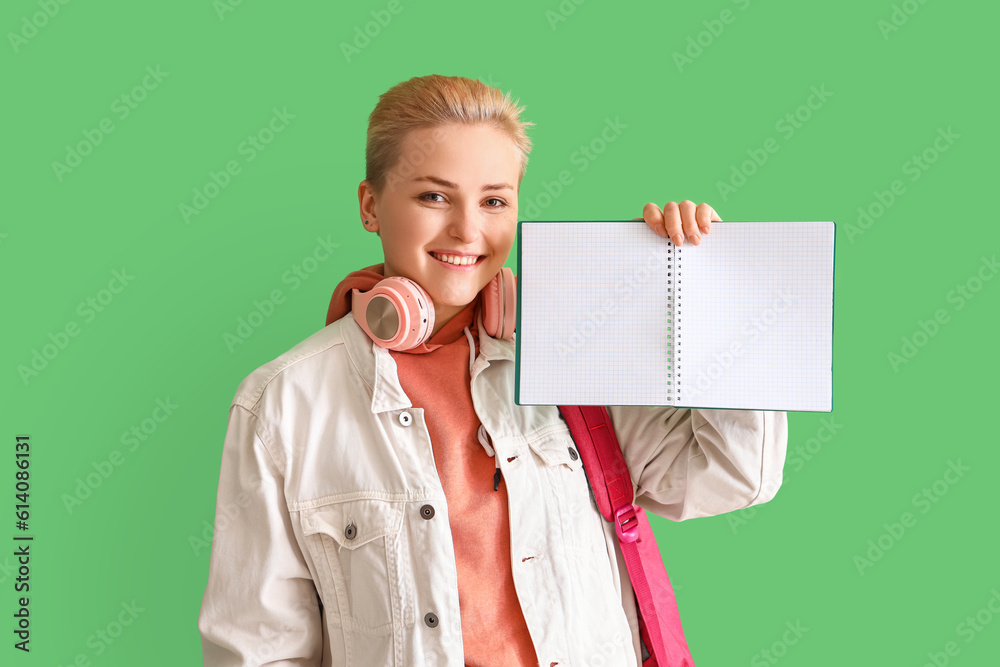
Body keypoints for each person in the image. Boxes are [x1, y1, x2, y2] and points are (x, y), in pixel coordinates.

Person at [198, 74, 788, 666]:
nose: (467, 230)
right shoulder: (281, 402)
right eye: (434, 196)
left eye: (494, 200)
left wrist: (715, 291)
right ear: (370, 205)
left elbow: (735, 473)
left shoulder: (571, 358)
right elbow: (258, 650)